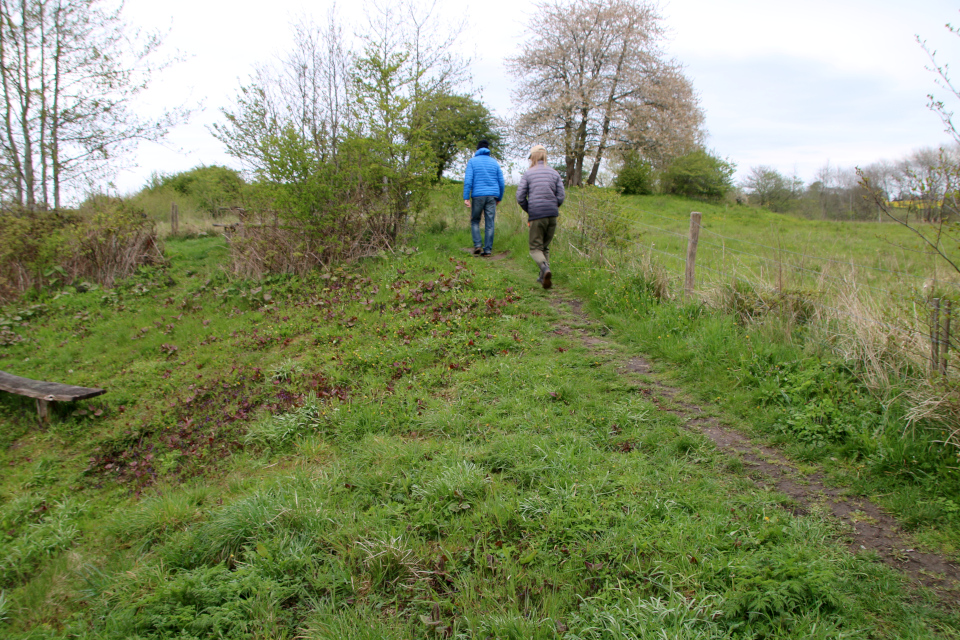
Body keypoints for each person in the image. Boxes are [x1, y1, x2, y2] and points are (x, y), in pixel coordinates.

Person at [516, 144, 564, 289]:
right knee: (545, 247)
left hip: (537, 214)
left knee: (535, 248)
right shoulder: (555, 173)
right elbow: (561, 195)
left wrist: (530, 209)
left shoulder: (529, 174)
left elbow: (520, 197)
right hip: (552, 214)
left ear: (533, 157)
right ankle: (543, 277)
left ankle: (544, 269)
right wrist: (554, 207)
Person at [463, 140, 505, 257]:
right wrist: (499, 197)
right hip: (492, 196)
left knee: (475, 220)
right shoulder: (494, 163)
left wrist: (466, 197)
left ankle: (477, 245)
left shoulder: (472, 161)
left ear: (477, 149)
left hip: (478, 196)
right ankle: (487, 251)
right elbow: (501, 182)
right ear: (488, 149)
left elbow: (468, 180)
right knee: (489, 223)